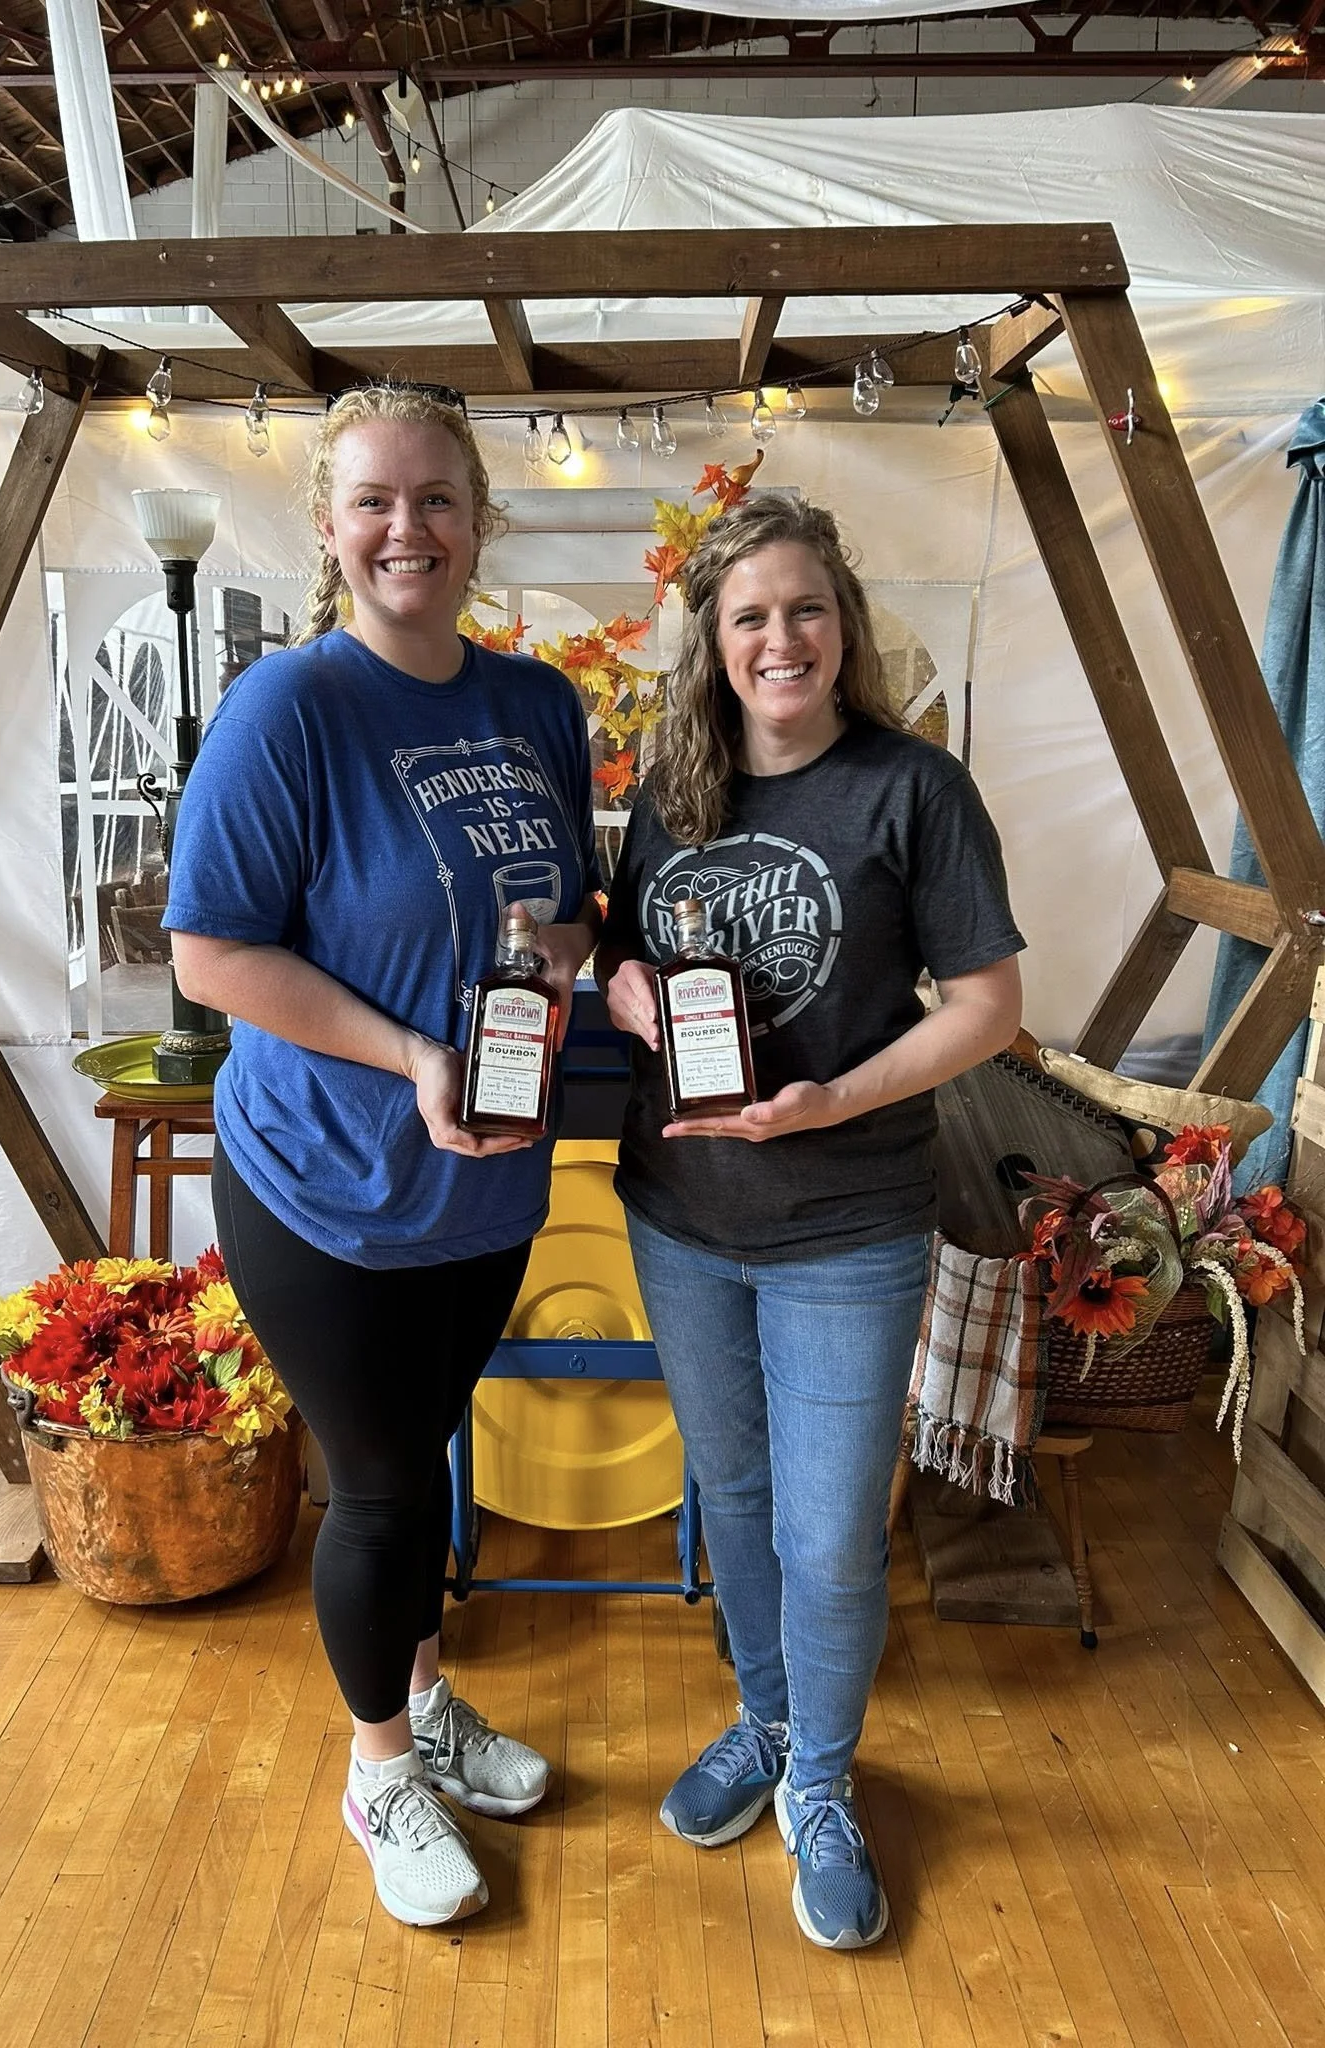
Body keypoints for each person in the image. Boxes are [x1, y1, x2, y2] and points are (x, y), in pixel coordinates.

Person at [164, 385, 603, 1929]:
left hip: (482, 1182)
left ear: (481, 520)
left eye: (435, 500)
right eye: (374, 502)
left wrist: (547, 963)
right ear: (332, 529)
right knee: (378, 1490)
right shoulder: (291, 707)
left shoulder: (540, 703)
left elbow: (575, 909)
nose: (405, 529)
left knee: (421, 1463)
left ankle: (423, 1699)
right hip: (328, 1186)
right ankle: (378, 1772)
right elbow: (212, 953)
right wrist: (415, 1052)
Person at [596, 493, 1024, 1950]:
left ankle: (826, 1787)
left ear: (843, 626)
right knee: (737, 1501)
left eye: (806, 609)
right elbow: (614, 960)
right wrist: (632, 995)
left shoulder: (916, 790)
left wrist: (830, 1102)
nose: (781, 637)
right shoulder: (670, 792)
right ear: (711, 644)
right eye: (749, 616)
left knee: (837, 1536)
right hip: (681, 1213)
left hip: (848, 1218)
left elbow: (986, 1009)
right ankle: (769, 1722)